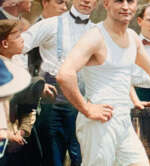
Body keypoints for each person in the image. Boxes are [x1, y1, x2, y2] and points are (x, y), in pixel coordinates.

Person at [56, 0, 150, 165]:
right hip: (100, 121)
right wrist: (87, 109)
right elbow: (65, 74)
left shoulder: (132, 37)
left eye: (130, 1)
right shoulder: (95, 36)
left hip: (123, 119)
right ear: (106, 4)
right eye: (119, 1)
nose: (126, 7)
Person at [20, 0, 99, 164]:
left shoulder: (99, 32)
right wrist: (31, 84)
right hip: (53, 102)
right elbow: (16, 48)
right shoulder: (50, 25)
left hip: (84, 105)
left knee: (82, 159)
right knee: (52, 159)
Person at [0, 19, 34, 166]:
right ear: (5, 44)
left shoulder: (16, 69)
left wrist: (22, 131)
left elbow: (26, 106)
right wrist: (7, 134)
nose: (22, 40)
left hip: (14, 143)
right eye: (17, 37)